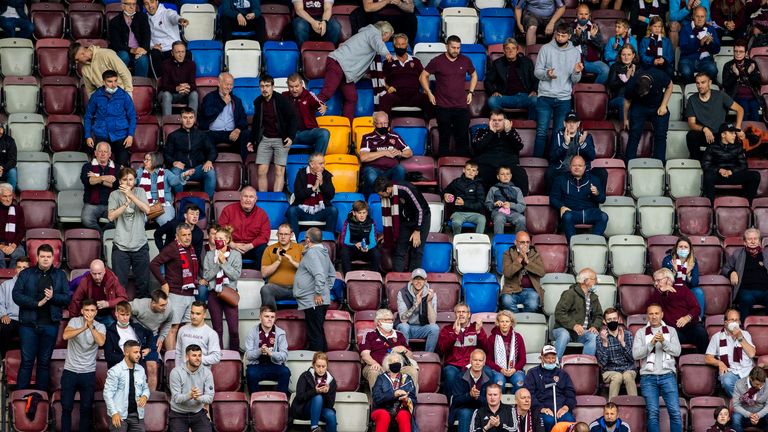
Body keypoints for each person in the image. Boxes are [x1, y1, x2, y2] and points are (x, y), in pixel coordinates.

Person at [12, 244, 70, 391]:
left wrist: (53, 297)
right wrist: (36, 303)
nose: (45, 259)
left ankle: (41, 398)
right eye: (42, 256)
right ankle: (21, 397)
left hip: (50, 325)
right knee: (27, 361)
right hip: (28, 325)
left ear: (53, 258)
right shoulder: (26, 274)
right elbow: (16, 295)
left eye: (48, 257)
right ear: (37, 258)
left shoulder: (60, 275)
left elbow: (67, 298)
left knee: (44, 362)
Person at [318, 21, 393, 121]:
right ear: (386, 33)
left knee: (351, 97)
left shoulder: (367, 34)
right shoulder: (373, 33)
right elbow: (378, 43)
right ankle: (306, 116)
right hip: (338, 63)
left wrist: (364, 75)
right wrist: (386, 53)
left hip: (346, 70)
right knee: (326, 93)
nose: (387, 41)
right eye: (389, 38)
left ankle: (347, 125)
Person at [420, 35, 477, 158]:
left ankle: (463, 167)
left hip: (461, 106)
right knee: (444, 138)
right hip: (443, 106)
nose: (456, 50)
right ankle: (443, 165)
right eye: (453, 47)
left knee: (462, 138)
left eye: (458, 48)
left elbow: (474, 75)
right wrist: (429, 93)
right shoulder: (437, 61)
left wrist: (471, 92)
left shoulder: (465, 60)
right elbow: (422, 76)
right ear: (447, 46)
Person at [533, 23, 583, 159]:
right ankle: (536, 163)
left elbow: (575, 79)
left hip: (564, 98)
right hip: (545, 96)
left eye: (563, 35)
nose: (560, 38)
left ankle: (554, 164)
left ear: (569, 36)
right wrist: (547, 74)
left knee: (558, 133)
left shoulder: (575, 53)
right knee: (541, 132)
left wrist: (577, 72)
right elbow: (537, 72)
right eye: (558, 35)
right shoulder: (546, 49)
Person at [632, 303, 683, 432]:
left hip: (668, 376)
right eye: (651, 314)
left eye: (656, 313)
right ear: (647, 316)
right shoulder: (640, 332)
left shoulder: (671, 331)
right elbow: (636, 354)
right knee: (653, 413)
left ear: (662, 315)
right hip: (648, 378)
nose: (654, 316)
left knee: (675, 413)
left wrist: (664, 342)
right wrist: (651, 343)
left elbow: (677, 352)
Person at [150, 223, 200, 349]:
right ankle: (171, 361)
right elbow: (154, 264)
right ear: (177, 237)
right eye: (184, 235)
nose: (187, 237)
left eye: (189, 235)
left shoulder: (191, 248)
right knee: (173, 328)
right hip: (176, 294)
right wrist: (164, 283)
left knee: (189, 328)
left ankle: (184, 359)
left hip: (190, 294)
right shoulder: (172, 248)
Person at [61, 299, 107, 432]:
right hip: (70, 371)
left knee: (86, 408)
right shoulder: (74, 321)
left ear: (96, 312)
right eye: (87, 310)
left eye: (92, 310)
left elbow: (101, 342)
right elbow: (65, 335)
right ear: (82, 311)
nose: (89, 313)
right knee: (66, 407)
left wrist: (91, 326)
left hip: (88, 373)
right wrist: (84, 327)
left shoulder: (100, 326)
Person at [108, 167, 151, 299]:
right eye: (125, 180)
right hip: (121, 246)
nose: (128, 182)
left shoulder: (140, 191)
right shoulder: (114, 195)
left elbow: (147, 210)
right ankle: (120, 314)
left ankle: (141, 314)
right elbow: (111, 216)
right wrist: (125, 204)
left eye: (131, 179)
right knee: (119, 285)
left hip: (140, 245)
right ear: (120, 181)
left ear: (135, 180)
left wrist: (131, 195)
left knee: (143, 284)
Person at [250, 74, 297, 191]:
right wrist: (252, 140)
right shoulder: (258, 102)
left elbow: (293, 118)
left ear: (272, 87)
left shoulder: (281, 100)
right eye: (262, 86)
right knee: (261, 171)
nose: (264, 89)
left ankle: (276, 199)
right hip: (265, 139)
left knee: (279, 171)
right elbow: (256, 123)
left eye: (267, 86)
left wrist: (291, 136)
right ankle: (264, 198)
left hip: (281, 139)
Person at [373, 177, 430, 272]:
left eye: (381, 194)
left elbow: (420, 210)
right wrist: (387, 232)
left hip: (422, 218)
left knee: (417, 250)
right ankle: (397, 279)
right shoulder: (390, 194)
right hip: (405, 220)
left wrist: (417, 230)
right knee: (399, 251)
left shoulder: (406, 189)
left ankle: (413, 279)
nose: (380, 197)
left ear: (388, 189)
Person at [84, 70, 137, 169]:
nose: (113, 84)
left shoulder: (124, 95)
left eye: (115, 81)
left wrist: (130, 135)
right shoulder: (96, 96)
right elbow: (88, 116)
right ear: (103, 82)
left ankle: (119, 184)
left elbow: (132, 116)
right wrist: (88, 136)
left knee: (121, 167)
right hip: (102, 134)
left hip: (121, 135)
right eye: (110, 81)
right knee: (99, 166)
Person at [685, 72, 745, 160]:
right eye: (697, 83)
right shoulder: (692, 99)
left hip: (719, 134)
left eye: (703, 82)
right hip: (704, 134)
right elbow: (691, 124)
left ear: (709, 82)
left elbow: (740, 109)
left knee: (731, 137)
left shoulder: (720, 95)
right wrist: (704, 129)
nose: (700, 86)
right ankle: (697, 163)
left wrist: (738, 128)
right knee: (691, 136)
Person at [294, 227, 336, 352]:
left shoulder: (312, 253)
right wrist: (325, 290)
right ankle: (322, 362)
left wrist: (319, 292)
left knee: (314, 334)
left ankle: (318, 366)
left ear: (308, 239)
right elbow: (332, 274)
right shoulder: (324, 252)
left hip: (313, 300)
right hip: (319, 299)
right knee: (318, 331)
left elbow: (319, 275)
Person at [201, 225, 242, 352]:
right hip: (214, 294)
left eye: (220, 238)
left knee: (234, 330)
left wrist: (224, 262)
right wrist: (218, 264)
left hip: (229, 293)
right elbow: (206, 276)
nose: (217, 239)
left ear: (227, 240)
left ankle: (235, 355)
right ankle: (219, 356)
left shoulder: (235, 255)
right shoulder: (209, 255)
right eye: (215, 237)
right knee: (217, 329)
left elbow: (235, 275)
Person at [650, 268, 708, 353]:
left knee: (701, 333)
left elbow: (696, 308)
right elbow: (649, 307)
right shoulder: (657, 294)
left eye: (658, 280)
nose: (656, 284)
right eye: (655, 281)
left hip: (690, 326)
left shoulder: (682, 290)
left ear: (668, 279)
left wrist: (687, 317)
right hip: (673, 330)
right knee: (669, 338)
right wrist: (660, 291)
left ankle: (705, 361)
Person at [164, 107, 217, 200]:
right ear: (180, 119)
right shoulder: (173, 136)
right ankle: (179, 201)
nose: (188, 120)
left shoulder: (202, 135)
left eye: (191, 117)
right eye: (185, 117)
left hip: (198, 168)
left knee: (210, 172)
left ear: (194, 119)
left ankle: (208, 201)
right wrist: (174, 163)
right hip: (182, 169)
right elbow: (166, 154)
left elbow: (212, 150)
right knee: (174, 173)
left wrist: (209, 161)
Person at [550, 156, 608, 240]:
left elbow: (602, 199)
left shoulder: (594, 179)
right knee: (567, 216)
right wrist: (561, 206)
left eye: (580, 166)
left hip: (589, 212)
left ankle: (594, 242)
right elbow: (553, 198)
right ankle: (572, 245)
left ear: (585, 167)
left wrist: (597, 193)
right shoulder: (560, 180)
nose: (577, 168)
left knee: (603, 216)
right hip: (572, 212)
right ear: (570, 167)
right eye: (574, 165)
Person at [623, 66, 673, 162]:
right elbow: (627, 102)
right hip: (639, 106)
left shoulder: (659, 75)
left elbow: (670, 85)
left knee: (661, 134)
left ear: (650, 86)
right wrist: (625, 119)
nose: (642, 95)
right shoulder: (632, 83)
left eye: (643, 94)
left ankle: (659, 164)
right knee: (634, 133)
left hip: (658, 105)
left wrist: (664, 105)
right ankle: (629, 164)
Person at [437, 303, 486, 400]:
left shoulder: (475, 328)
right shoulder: (447, 329)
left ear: (469, 314)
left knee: (487, 371)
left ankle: (481, 404)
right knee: (449, 373)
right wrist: (455, 334)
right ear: (455, 314)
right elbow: (442, 349)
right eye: (458, 312)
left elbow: (485, 349)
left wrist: (479, 333)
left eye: (464, 312)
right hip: (453, 365)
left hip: (470, 365)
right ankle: (450, 403)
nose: (461, 314)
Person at [471, 111, 529, 194]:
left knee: (520, 173)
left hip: (508, 164)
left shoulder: (511, 132)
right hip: (487, 164)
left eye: (500, 120)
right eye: (494, 120)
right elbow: (477, 147)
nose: (497, 122)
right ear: (489, 121)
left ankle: (521, 203)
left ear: (505, 121)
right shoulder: (481, 131)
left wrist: (509, 132)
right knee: (480, 172)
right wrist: (491, 133)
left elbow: (519, 146)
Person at [702, 123, 761, 204]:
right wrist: (719, 170)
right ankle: (711, 205)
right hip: (719, 176)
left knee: (755, 175)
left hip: (733, 174)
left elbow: (744, 165)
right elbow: (705, 165)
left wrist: (732, 171)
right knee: (708, 176)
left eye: (734, 133)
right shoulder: (712, 147)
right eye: (731, 133)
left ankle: (747, 204)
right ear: (723, 135)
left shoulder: (738, 146)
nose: (734, 135)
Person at [547, 111, 607, 190]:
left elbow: (592, 156)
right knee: (550, 173)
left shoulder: (586, 136)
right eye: (569, 122)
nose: (572, 125)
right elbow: (552, 157)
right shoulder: (558, 136)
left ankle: (597, 199)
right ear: (564, 124)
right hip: (564, 171)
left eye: (574, 122)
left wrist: (582, 144)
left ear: (578, 124)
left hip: (583, 172)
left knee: (601, 172)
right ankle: (555, 200)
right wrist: (565, 144)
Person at [359, 111, 413, 196]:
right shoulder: (368, 138)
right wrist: (384, 152)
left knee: (400, 170)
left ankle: (395, 199)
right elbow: (363, 157)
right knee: (370, 176)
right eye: (380, 124)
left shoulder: (394, 136)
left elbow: (409, 152)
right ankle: (371, 201)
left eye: (385, 123)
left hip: (391, 170)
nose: (383, 126)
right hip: (374, 169)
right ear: (374, 124)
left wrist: (400, 153)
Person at [360, 308, 419, 387]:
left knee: (412, 371)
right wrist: (374, 363)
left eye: (391, 319)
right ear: (379, 322)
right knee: (374, 371)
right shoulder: (369, 334)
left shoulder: (399, 335)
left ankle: (409, 398)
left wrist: (404, 350)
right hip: (377, 366)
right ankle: (378, 398)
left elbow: (411, 356)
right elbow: (365, 355)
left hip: (399, 367)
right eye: (387, 319)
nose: (390, 322)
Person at [524, 345, 577, 431]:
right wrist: (541, 408)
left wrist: (566, 407)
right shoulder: (532, 373)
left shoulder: (562, 374)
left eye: (553, 358)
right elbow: (529, 394)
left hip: (561, 407)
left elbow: (570, 393)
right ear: (541, 358)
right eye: (548, 358)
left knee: (569, 420)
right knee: (548, 420)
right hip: (542, 408)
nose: (551, 360)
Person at [704, 308, 756, 396]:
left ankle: (742, 401)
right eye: (732, 320)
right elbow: (707, 358)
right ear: (725, 322)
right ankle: (745, 400)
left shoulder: (745, 334)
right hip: (730, 372)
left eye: (736, 320)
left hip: (747, 371)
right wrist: (719, 363)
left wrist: (740, 337)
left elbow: (752, 354)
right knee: (726, 381)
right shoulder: (717, 337)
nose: (734, 323)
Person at [553, 268, 602, 359]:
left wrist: (595, 326)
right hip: (564, 329)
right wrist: (573, 325)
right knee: (564, 335)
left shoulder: (594, 297)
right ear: (585, 281)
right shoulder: (570, 294)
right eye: (594, 279)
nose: (596, 282)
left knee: (593, 336)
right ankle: (554, 363)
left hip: (582, 332)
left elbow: (599, 315)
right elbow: (559, 313)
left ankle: (585, 365)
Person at [218, 186, 271, 269]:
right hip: (232, 246)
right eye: (245, 196)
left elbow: (264, 235)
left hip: (252, 247)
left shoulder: (262, 214)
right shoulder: (228, 210)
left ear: (256, 199)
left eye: (251, 197)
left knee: (264, 249)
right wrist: (232, 244)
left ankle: (257, 278)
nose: (248, 200)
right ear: (240, 197)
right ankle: (226, 278)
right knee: (220, 246)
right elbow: (221, 231)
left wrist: (250, 245)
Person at [103, 339, 151, 432]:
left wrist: (145, 396)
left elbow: (145, 387)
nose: (138, 355)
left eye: (139, 352)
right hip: (119, 415)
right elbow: (107, 394)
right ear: (126, 353)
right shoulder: (115, 371)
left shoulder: (141, 369)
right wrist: (114, 413)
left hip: (137, 415)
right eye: (135, 352)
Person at [199, 72, 250, 157]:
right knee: (204, 137)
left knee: (246, 134)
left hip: (231, 133)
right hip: (213, 133)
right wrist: (223, 103)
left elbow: (243, 118)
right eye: (227, 84)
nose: (229, 87)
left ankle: (242, 164)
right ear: (219, 83)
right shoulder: (210, 97)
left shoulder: (236, 100)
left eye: (231, 85)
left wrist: (238, 129)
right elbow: (207, 113)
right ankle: (209, 163)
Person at [379, 34, 430, 116]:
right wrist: (388, 88)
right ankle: (384, 126)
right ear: (394, 46)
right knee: (385, 98)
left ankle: (431, 125)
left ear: (407, 46)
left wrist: (426, 90)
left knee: (428, 98)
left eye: (403, 44)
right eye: (398, 44)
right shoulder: (388, 62)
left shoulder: (416, 61)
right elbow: (382, 79)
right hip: (396, 95)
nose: (400, 47)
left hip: (414, 95)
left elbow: (425, 76)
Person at [130, 289, 172, 390]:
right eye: (162, 305)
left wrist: (162, 337)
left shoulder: (169, 308)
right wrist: (135, 323)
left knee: (152, 367)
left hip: (152, 335)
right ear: (153, 303)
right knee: (133, 365)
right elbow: (122, 310)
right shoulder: (138, 305)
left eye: (165, 304)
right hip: (136, 334)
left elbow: (168, 322)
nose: (165, 307)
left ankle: (150, 398)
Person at [485, 38, 538, 118]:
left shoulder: (526, 62)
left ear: (517, 50)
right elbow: (488, 81)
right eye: (507, 48)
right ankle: (504, 121)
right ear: (504, 50)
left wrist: (534, 90)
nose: (510, 51)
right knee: (492, 101)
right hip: (506, 97)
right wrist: (494, 91)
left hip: (524, 96)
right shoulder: (497, 63)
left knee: (536, 100)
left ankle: (530, 124)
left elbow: (536, 79)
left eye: (513, 48)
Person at [245, 305, 290, 395]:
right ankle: (255, 401)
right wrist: (260, 351)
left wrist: (271, 353)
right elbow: (249, 355)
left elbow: (284, 355)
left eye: (272, 317)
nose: (270, 319)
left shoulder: (281, 333)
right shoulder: (252, 332)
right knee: (250, 373)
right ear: (260, 317)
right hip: (257, 366)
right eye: (266, 316)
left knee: (285, 372)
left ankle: (280, 402)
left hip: (274, 365)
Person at [287, 153, 337, 234]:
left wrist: (321, 184)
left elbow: (331, 195)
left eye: (323, 163)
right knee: (292, 211)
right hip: (304, 211)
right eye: (320, 163)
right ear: (312, 164)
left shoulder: (326, 175)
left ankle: (329, 241)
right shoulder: (301, 174)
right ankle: (295, 242)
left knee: (333, 210)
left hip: (320, 211)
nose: (323, 166)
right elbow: (298, 195)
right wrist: (313, 188)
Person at [168, 344, 214, 432]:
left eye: (199, 355)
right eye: (194, 355)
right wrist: (190, 395)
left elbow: (210, 398)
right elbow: (176, 398)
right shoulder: (176, 372)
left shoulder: (207, 373)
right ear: (187, 357)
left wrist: (198, 397)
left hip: (198, 412)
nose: (198, 358)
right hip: (178, 413)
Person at [69, 259, 128, 327]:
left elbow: (123, 298)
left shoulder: (112, 279)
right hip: (90, 315)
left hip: (108, 315)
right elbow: (76, 300)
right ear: (90, 272)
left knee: (113, 332)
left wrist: (107, 304)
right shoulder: (85, 281)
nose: (97, 277)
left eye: (99, 273)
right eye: (94, 274)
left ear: (104, 271)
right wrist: (73, 321)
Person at [724, 228, 768, 319]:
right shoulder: (737, 254)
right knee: (745, 300)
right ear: (744, 242)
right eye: (749, 239)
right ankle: (744, 328)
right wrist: (731, 272)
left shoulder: (766, 254)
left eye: (755, 239)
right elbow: (725, 268)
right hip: (747, 291)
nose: (753, 241)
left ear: (759, 241)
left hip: (765, 291)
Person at [290, 352, 338, 432]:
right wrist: (315, 391)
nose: (321, 369)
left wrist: (326, 393)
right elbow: (299, 397)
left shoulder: (331, 381)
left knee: (331, 414)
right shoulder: (305, 376)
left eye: (323, 366)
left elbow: (330, 405)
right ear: (313, 365)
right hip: (304, 409)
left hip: (322, 410)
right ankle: (314, 428)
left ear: (327, 366)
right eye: (318, 366)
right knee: (317, 396)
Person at [596, 308, 637, 401]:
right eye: (609, 320)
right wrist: (605, 343)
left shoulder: (627, 334)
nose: (612, 321)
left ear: (618, 319)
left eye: (614, 319)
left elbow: (632, 358)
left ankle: (635, 405)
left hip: (628, 369)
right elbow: (602, 363)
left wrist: (622, 342)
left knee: (627, 376)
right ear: (604, 321)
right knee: (617, 376)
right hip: (609, 371)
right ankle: (611, 407)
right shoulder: (599, 338)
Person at [370, 352, 418, 432]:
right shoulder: (381, 378)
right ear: (388, 365)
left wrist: (407, 400)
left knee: (404, 415)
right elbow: (376, 398)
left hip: (400, 409)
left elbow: (413, 398)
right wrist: (394, 394)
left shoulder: (407, 378)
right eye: (393, 362)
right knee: (383, 415)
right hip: (382, 409)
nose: (396, 364)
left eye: (398, 362)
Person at [260, 223, 303, 309]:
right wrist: (278, 261)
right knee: (266, 289)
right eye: (281, 234)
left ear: (291, 235)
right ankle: (270, 319)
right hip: (277, 288)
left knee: (311, 288)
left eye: (286, 234)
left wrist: (292, 261)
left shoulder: (300, 248)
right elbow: (264, 274)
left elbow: (308, 270)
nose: (283, 237)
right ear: (277, 234)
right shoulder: (270, 249)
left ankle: (310, 321)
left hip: (297, 288)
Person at [284, 73, 329, 154]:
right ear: (288, 86)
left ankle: (316, 164)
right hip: (289, 135)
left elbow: (318, 103)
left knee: (324, 133)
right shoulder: (284, 96)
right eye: (291, 87)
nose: (294, 89)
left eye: (296, 86)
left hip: (306, 133)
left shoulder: (309, 95)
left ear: (301, 84)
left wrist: (323, 106)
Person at [450, 349, 494, 432]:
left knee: (489, 415)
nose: (477, 363)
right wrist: (469, 395)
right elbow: (456, 401)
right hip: (463, 409)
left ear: (484, 363)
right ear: (470, 361)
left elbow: (490, 401)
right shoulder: (460, 377)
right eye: (475, 360)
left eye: (480, 360)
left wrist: (477, 398)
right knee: (466, 413)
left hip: (481, 408)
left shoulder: (488, 379)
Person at [396, 268, 440, 352]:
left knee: (435, 328)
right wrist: (415, 304)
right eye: (416, 279)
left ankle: (428, 356)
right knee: (403, 326)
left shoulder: (431, 294)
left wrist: (429, 302)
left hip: (422, 328)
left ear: (425, 281)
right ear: (411, 280)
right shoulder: (402, 293)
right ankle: (404, 356)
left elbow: (432, 321)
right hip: (407, 327)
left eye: (421, 279)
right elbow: (403, 319)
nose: (418, 282)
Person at [662, 236, 705, 319]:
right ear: (676, 248)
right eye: (680, 246)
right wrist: (675, 271)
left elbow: (695, 283)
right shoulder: (668, 260)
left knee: (698, 291)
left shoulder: (693, 261)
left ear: (689, 250)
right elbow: (665, 280)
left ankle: (698, 318)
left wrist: (687, 273)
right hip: (672, 288)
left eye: (685, 247)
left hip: (687, 289)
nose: (683, 249)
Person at [484, 310, 527, 394]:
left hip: (515, 370)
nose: (504, 324)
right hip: (498, 370)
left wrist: (514, 369)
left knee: (520, 381)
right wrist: (501, 369)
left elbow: (523, 359)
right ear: (498, 323)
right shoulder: (492, 338)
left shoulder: (518, 337)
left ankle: (515, 405)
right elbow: (488, 360)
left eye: (507, 321)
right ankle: (500, 405)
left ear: (511, 323)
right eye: (502, 321)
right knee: (499, 382)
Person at [501, 232, 545, 313]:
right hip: (512, 290)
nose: (525, 245)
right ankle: (516, 321)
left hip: (531, 290)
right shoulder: (507, 254)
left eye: (527, 242)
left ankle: (525, 320)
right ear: (515, 242)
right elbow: (507, 273)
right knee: (506, 301)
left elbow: (542, 272)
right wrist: (520, 258)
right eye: (522, 242)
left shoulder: (535, 254)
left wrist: (528, 262)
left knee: (533, 305)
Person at [144, 0, 189, 78]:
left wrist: (180, 20)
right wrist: (152, 46)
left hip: (173, 48)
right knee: (153, 54)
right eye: (146, 4)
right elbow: (146, 36)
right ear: (144, 6)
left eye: (152, 2)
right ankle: (159, 84)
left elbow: (174, 17)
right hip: (159, 51)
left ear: (157, 2)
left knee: (187, 53)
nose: (150, 6)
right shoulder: (144, 18)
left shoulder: (167, 12)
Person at [80, 142, 118, 234]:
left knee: (120, 219)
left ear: (109, 154)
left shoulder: (117, 167)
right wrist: (105, 178)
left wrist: (97, 178)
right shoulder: (87, 166)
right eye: (100, 151)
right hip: (92, 204)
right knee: (86, 219)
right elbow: (89, 182)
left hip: (111, 204)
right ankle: (100, 235)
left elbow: (115, 185)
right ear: (95, 153)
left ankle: (103, 234)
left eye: (105, 151)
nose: (102, 154)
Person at [103, 301, 153, 369]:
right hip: (118, 368)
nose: (125, 318)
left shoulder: (136, 327)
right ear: (116, 314)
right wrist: (129, 358)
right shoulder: (110, 332)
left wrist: (148, 348)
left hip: (137, 367)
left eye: (127, 315)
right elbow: (108, 356)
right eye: (122, 314)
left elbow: (150, 334)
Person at [443, 160, 486, 235]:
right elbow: (445, 190)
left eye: (473, 170)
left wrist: (464, 203)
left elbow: (480, 204)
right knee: (456, 222)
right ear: (464, 170)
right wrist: (445, 194)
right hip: (458, 213)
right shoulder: (457, 182)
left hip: (475, 214)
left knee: (482, 219)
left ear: (476, 173)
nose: (470, 172)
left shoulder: (479, 185)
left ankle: (478, 241)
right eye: (468, 169)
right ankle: (457, 240)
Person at [109, 0, 151, 77]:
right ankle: (120, 83)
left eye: (134, 4)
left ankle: (140, 85)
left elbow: (147, 36)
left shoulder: (142, 17)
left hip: (139, 50)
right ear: (122, 6)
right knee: (123, 55)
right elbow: (116, 44)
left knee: (142, 59)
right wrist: (132, 50)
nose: (132, 7)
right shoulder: (115, 21)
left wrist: (143, 49)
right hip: (124, 50)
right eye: (128, 4)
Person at [679, 7, 721, 84]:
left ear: (706, 17)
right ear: (693, 17)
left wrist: (710, 44)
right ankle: (690, 88)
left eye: (702, 16)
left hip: (705, 61)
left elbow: (717, 50)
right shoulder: (686, 28)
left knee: (713, 69)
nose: (700, 19)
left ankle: (705, 88)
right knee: (686, 71)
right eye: (697, 16)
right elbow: (683, 49)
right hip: (688, 60)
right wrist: (699, 43)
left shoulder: (710, 29)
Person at [722, 40, 762, 121]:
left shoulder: (752, 63)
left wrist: (749, 73)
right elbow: (726, 85)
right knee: (744, 106)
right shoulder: (728, 65)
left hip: (752, 96)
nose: (738, 54)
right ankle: (743, 132)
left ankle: (754, 132)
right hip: (736, 96)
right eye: (736, 51)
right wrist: (735, 75)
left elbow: (758, 83)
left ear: (746, 53)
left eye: (741, 51)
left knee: (754, 108)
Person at [135, 151, 177, 226]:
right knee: (136, 220)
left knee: (166, 220)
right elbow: (131, 181)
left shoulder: (166, 172)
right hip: (143, 205)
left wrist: (183, 175)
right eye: (144, 159)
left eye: (147, 160)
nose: (144, 161)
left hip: (163, 205)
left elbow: (175, 181)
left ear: (155, 161)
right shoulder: (139, 172)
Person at [175, 301, 221, 367]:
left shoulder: (211, 333)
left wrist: (197, 359)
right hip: (183, 373)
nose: (194, 316)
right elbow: (178, 353)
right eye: (192, 313)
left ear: (204, 315)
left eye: (198, 314)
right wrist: (178, 370)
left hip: (202, 374)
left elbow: (216, 357)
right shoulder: (182, 330)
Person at [571, 5, 609, 85]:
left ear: (589, 15)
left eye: (586, 14)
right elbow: (567, 45)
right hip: (572, 60)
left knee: (606, 70)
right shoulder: (570, 26)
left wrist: (593, 37)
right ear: (576, 14)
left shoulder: (594, 27)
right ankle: (572, 93)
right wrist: (577, 36)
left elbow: (601, 47)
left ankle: (594, 91)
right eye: (581, 14)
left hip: (590, 61)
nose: (583, 16)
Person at [340, 200, 380, 274]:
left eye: (364, 213)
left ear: (367, 213)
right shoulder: (348, 222)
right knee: (344, 252)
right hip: (353, 249)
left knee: (376, 253)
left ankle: (374, 277)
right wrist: (355, 245)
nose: (362, 215)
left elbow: (373, 241)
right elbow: (344, 241)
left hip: (366, 250)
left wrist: (367, 247)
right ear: (354, 213)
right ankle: (348, 277)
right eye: (359, 213)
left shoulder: (371, 222)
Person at [158, 41, 197, 116]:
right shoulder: (165, 64)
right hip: (170, 94)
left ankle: (192, 123)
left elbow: (194, 85)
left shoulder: (191, 64)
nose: (181, 55)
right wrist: (177, 88)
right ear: (172, 53)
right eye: (178, 52)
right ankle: (167, 123)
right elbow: (164, 86)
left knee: (194, 94)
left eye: (183, 52)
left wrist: (187, 87)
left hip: (185, 93)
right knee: (166, 94)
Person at [0, 257, 28, 359]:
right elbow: (0, 302)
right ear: (15, 269)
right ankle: (3, 359)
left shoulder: (34, 285)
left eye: (24, 267)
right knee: (4, 327)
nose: (21, 269)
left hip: (27, 319)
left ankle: (29, 361)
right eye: (19, 267)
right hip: (11, 319)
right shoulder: (6, 285)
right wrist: (3, 314)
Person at [485, 166, 526, 235]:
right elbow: (487, 204)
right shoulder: (493, 189)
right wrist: (494, 204)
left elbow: (522, 206)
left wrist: (511, 205)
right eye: (502, 174)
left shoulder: (517, 190)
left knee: (521, 219)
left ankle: (519, 241)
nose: (505, 176)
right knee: (499, 218)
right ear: (498, 177)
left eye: (507, 174)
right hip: (498, 212)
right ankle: (499, 242)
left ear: (511, 176)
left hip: (513, 213)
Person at [731, 367, 768, 432]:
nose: (760, 387)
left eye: (762, 384)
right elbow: (736, 405)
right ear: (751, 378)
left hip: (762, 415)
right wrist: (749, 414)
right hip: (745, 415)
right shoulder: (739, 384)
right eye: (757, 384)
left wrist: (758, 415)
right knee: (735, 417)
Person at [607, 46, 637, 122]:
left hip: (633, 98)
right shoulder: (615, 67)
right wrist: (625, 78)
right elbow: (611, 85)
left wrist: (633, 78)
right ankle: (625, 129)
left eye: (629, 54)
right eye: (623, 55)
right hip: (618, 98)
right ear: (620, 55)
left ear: (633, 55)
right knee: (623, 102)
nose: (626, 57)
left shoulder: (637, 68)